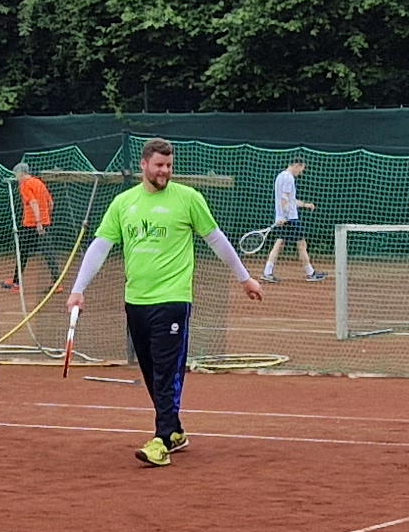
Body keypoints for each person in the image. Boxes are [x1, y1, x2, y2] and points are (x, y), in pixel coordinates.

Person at [67, 139, 264, 467]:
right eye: (159, 165)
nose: (165, 171)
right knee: (151, 372)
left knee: (166, 370)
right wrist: (78, 289)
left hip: (173, 300)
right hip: (136, 303)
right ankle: (174, 432)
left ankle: (161, 440)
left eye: (169, 166)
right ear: (144, 165)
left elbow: (216, 239)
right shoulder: (123, 203)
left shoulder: (188, 199)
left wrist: (244, 278)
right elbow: (100, 246)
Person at [261, 158, 321, 282]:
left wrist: (305, 205)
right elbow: (284, 199)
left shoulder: (280, 176)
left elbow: (290, 200)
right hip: (290, 219)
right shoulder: (289, 178)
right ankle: (310, 273)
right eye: (301, 169)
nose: (301, 172)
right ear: (297, 166)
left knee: (279, 244)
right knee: (301, 244)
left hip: (284, 217)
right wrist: (285, 217)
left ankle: (267, 272)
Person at [8, 159, 54, 289]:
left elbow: (33, 202)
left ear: (21, 173)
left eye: (16, 175)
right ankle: (57, 282)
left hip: (31, 224)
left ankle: (16, 282)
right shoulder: (39, 183)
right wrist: (45, 217)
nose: (16, 178)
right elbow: (50, 203)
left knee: (22, 253)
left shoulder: (25, 185)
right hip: (44, 223)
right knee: (48, 253)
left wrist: (38, 222)